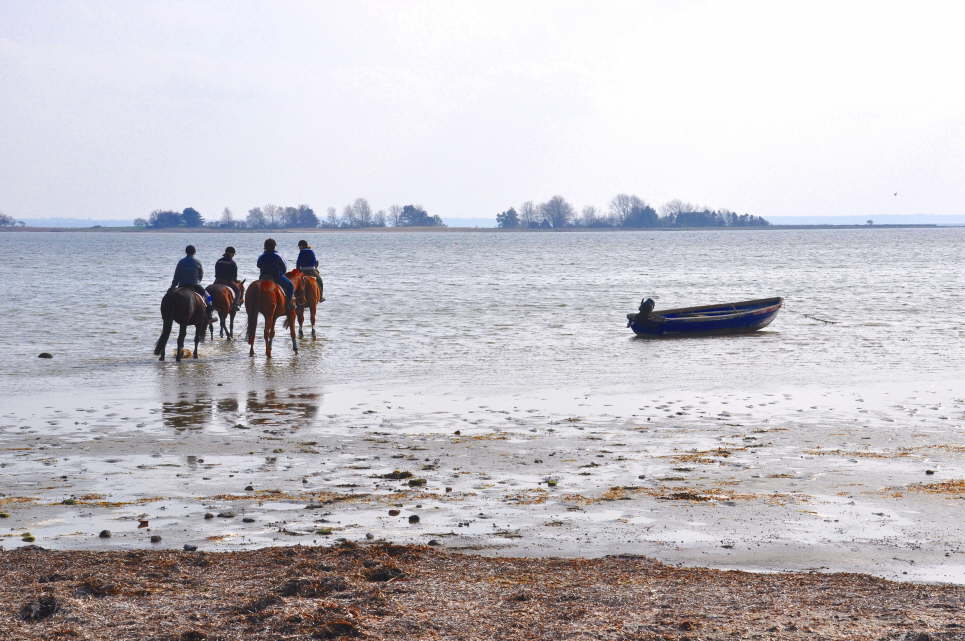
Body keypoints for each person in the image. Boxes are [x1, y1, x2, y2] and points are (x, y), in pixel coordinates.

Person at [170, 245, 213, 318]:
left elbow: (176, 275)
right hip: (195, 285)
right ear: (194, 252)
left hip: (182, 285)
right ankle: (209, 315)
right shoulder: (197, 262)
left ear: (186, 252)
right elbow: (201, 274)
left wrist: (173, 286)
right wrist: (198, 281)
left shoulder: (181, 262)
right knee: (209, 297)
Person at [256, 238, 294, 312]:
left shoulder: (261, 256)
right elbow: (284, 267)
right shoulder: (277, 255)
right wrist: (281, 273)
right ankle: (288, 305)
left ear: (265, 246)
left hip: (263, 277)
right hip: (276, 277)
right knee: (290, 286)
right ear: (274, 246)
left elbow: (258, 265)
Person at [214, 246, 243, 311]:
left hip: (217, 281)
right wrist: (236, 281)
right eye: (233, 254)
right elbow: (234, 277)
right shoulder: (232, 263)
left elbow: (216, 272)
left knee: (208, 292)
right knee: (238, 291)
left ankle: (208, 303)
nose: (233, 256)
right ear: (231, 254)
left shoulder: (219, 261)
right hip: (228, 281)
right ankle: (235, 305)